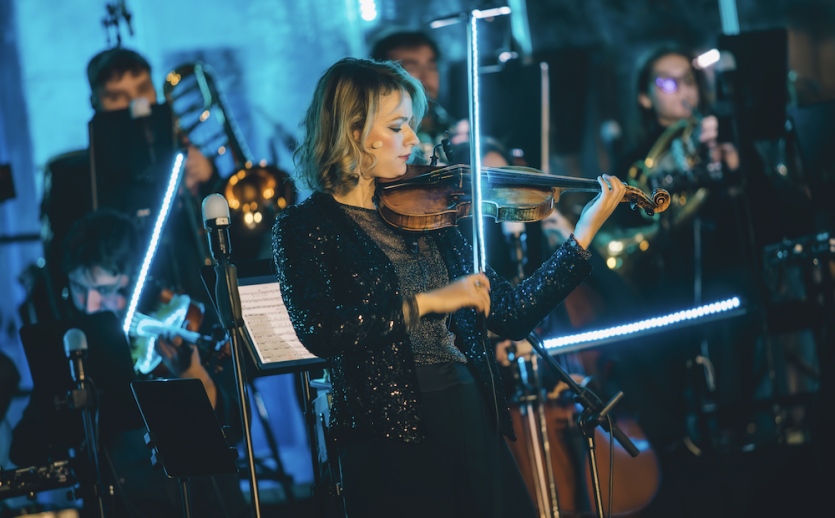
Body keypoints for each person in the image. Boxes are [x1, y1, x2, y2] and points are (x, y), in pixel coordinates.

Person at [272, 57, 626, 518]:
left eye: (411, 125)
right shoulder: (304, 226)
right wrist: (430, 302)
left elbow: (513, 314)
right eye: (397, 127)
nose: (413, 140)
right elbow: (322, 330)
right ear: (353, 132)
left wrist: (581, 236)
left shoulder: (427, 212)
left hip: (468, 406)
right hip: (387, 434)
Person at [12, 209, 245, 518]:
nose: (89, 305)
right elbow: (24, 448)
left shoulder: (184, 322)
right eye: (79, 288)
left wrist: (194, 376)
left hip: (197, 506)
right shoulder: (76, 344)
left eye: (105, 290)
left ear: (135, 280)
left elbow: (237, 427)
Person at [33, 48, 217, 324]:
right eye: (116, 97)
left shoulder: (187, 156)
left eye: (143, 90)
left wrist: (208, 181)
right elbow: (63, 264)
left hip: (196, 305)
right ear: (95, 102)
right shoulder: (69, 177)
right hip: (117, 315)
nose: (135, 103)